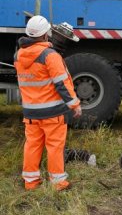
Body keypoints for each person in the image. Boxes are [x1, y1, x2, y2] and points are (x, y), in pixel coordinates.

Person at [14, 15, 82, 191]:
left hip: (30, 114)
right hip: (53, 113)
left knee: (32, 146)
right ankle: (58, 183)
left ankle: (30, 182)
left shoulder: (18, 55)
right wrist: (75, 105)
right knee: (54, 147)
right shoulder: (50, 56)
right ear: (46, 34)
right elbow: (63, 84)